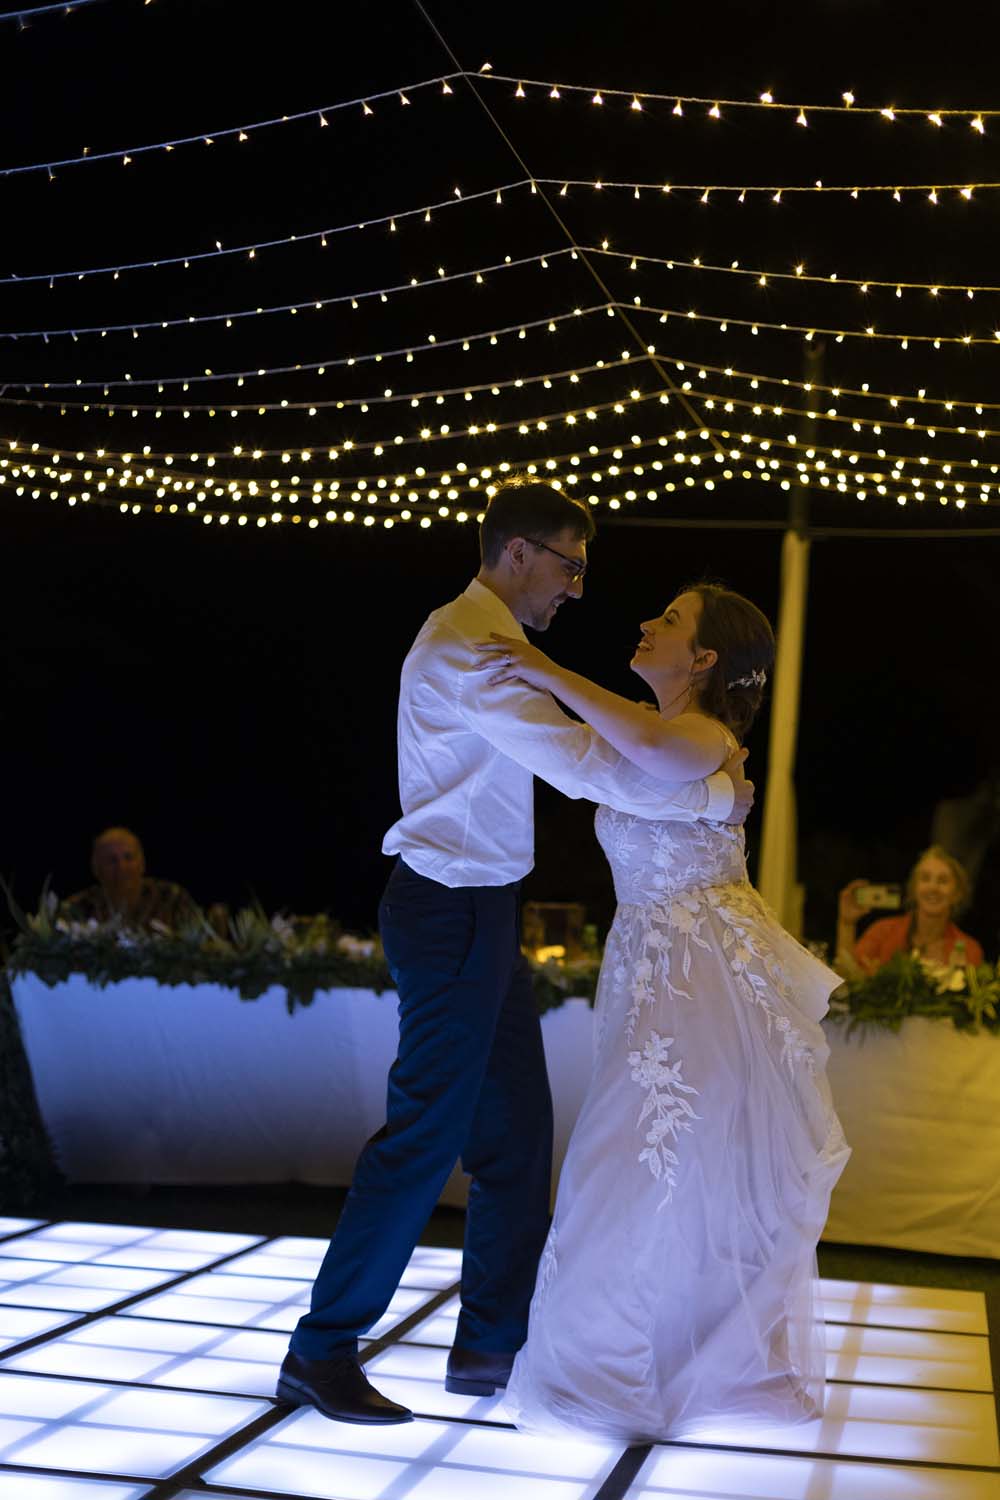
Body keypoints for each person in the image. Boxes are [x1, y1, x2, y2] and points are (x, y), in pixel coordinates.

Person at [275, 480, 753, 1426]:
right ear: (522, 552)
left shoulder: (497, 643)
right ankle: (322, 1349)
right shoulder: (471, 648)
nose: (576, 590)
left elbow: (584, 745)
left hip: (480, 913)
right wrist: (707, 799)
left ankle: (490, 1345)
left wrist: (694, 778)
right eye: (572, 567)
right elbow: (578, 762)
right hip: (448, 909)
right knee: (425, 1138)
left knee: (516, 1137)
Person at [474, 582, 850, 1443]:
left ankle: (614, 1370)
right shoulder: (690, 750)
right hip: (654, 964)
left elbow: (641, 741)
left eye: (671, 621)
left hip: (700, 974)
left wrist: (540, 666)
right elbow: (611, 753)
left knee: (636, 1156)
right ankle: (639, 1359)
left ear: (706, 659)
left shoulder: (704, 738)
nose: (647, 624)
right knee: (652, 1163)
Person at [837, 846, 983, 974]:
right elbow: (847, 978)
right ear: (914, 889)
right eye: (925, 878)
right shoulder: (883, 932)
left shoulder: (969, 950)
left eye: (943, 881)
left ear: (957, 894)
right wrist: (847, 924)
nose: (933, 887)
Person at [59, 827, 199, 932]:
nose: (122, 867)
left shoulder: (171, 898)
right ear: (96, 869)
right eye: (112, 860)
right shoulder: (78, 908)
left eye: (129, 858)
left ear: (142, 863)